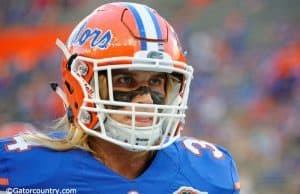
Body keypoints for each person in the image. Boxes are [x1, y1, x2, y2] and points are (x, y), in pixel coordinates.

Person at [0, 2, 240, 193]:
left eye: (156, 81)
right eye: (125, 80)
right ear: (82, 85)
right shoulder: (16, 170)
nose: (146, 100)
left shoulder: (211, 173)